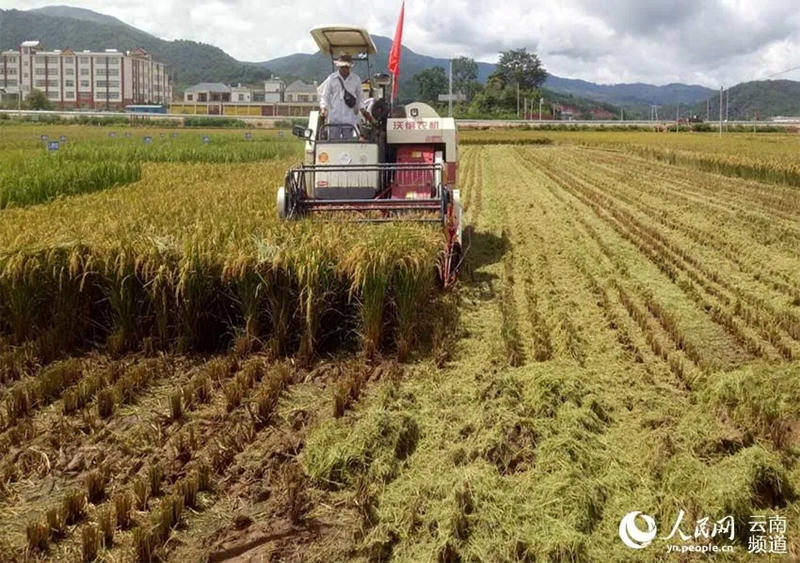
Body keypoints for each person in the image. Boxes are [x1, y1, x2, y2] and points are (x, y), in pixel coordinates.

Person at [319, 54, 364, 139]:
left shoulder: (356, 79)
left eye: (346, 66)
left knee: (348, 145)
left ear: (350, 67)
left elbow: (360, 98)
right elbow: (325, 96)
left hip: (349, 119)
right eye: (342, 66)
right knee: (334, 144)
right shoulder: (331, 78)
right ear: (338, 66)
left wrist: (362, 109)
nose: (344, 69)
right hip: (334, 119)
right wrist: (323, 108)